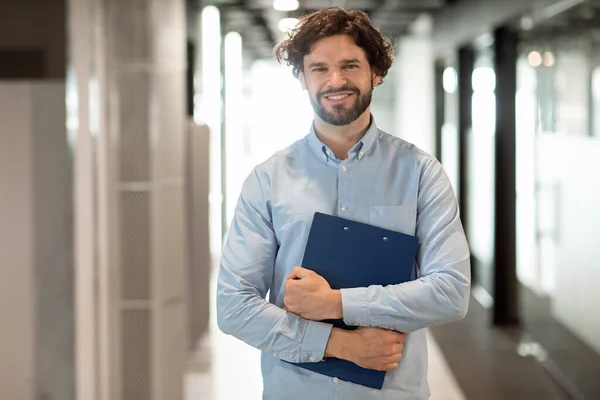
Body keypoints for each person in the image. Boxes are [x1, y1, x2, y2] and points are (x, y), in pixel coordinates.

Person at [216, 7, 470, 400]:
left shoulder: (420, 173)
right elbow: (234, 305)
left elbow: (451, 291)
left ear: (377, 72)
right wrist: (340, 343)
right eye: (319, 68)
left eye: (350, 65)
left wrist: (335, 303)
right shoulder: (268, 180)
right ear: (302, 78)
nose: (335, 81)